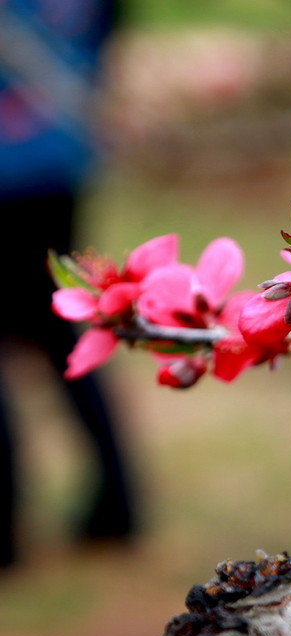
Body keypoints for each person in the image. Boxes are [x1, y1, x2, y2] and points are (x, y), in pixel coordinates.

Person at [0, 0, 136, 567]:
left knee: (45, 335)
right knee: (62, 330)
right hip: (64, 156)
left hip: (12, 169)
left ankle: (7, 531)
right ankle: (118, 502)